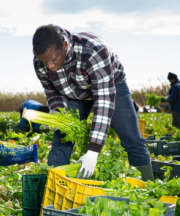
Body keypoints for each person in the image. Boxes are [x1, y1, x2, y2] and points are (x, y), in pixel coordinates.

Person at [32, 25, 154, 181]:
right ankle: (53, 189)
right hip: (75, 93)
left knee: (132, 139)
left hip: (111, 85)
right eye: (45, 62)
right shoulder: (39, 61)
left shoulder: (93, 51)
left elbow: (103, 101)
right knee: (62, 138)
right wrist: (58, 113)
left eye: (54, 60)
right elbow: (52, 92)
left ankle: (148, 189)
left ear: (64, 45)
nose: (49, 66)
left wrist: (93, 151)